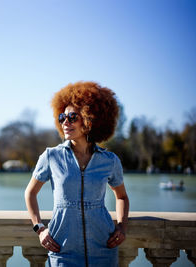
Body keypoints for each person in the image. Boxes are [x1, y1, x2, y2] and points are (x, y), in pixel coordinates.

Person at [25, 81, 129, 267]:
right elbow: (30, 193)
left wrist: (122, 226)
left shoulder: (109, 160)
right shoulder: (51, 156)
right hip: (62, 251)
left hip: (104, 248)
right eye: (62, 117)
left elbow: (121, 197)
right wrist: (39, 228)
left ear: (91, 119)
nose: (66, 122)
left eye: (72, 117)